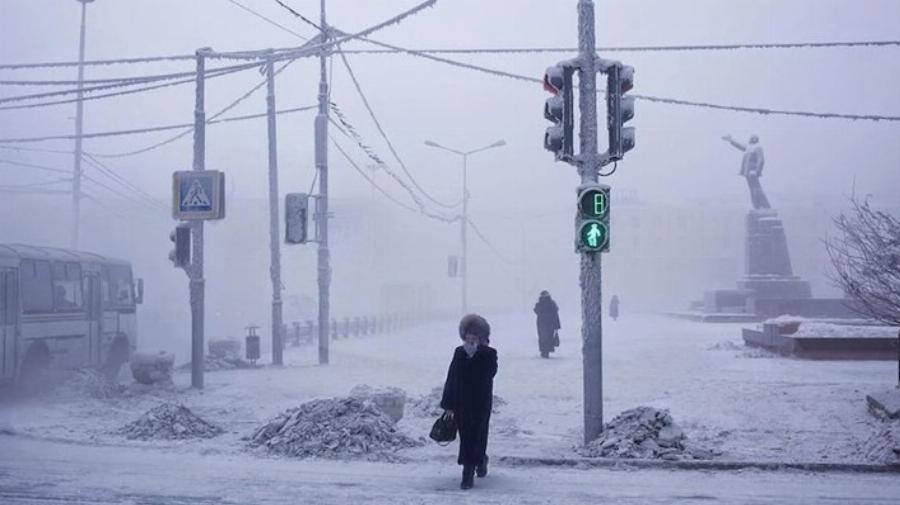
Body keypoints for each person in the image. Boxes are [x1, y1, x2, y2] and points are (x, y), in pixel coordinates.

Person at [440, 314, 498, 490]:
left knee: (479, 434)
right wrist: (448, 403)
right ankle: (467, 472)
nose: (471, 339)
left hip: (480, 403)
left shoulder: (489, 354)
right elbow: (452, 377)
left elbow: (490, 373)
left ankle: (480, 461)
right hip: (461, 403)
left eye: (475, 336)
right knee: (466, 437)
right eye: (468, 336)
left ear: (481, 337)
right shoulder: (459, 352)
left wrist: (477, 355)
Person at [721, 134, 771, 210]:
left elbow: (761, 160)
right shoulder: (749, 148)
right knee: (752, 190)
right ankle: (757, 206)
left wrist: (757, 171)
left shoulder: (758, 147)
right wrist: (731, 140)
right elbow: (740, 146)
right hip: (747, 172)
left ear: (755, 139)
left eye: (752, 138)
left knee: (757, 189)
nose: (750, 139)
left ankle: (765, 206)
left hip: (753, 172)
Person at [533, 291, 561, 358]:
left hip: (542, 324)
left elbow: (536, 310)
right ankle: (546, 352)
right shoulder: (552, 303)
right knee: (548, 338)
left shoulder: (540, 303)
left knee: (543, 338)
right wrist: (557, 326)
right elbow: (555, 315)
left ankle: (544, 352)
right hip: (549, 324)